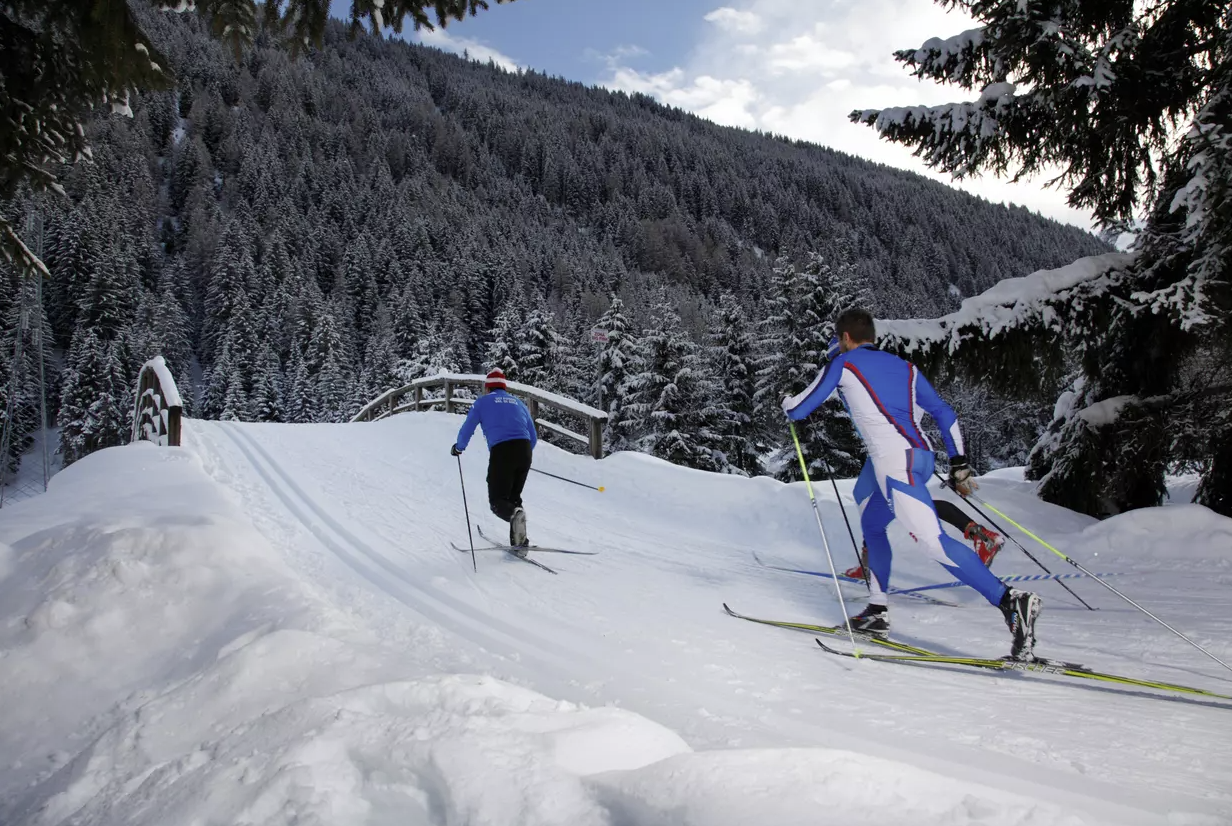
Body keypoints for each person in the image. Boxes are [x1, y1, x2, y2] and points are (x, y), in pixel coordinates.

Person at [783, 308, 1041, 660]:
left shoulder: (844, 365)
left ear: (844, 337)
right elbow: (945, 414)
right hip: (920, 458)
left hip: (895, 463)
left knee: (934, 544)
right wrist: (959, 462)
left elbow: (799, 409)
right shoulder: (908, 369)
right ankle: (877, 611)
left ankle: (1010, 601)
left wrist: (787, 400)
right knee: (873, 525)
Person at [451, 369, 539, 555]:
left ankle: (515, 520)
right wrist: (522, 454)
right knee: (514, 498)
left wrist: (459, 447)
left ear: (488, 386)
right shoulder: (519, 403)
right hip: (524, 450)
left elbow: (468, 427)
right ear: (504, 386)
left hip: (502, 451)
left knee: (498, 501)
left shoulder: (482, 403)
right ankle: (519, 543)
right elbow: (533, 436)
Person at [843, 499, 1003, 579]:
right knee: (878, 509)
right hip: (901, 453)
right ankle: (980, 534)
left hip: (898, 456)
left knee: (911, 507)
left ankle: (982, 537)